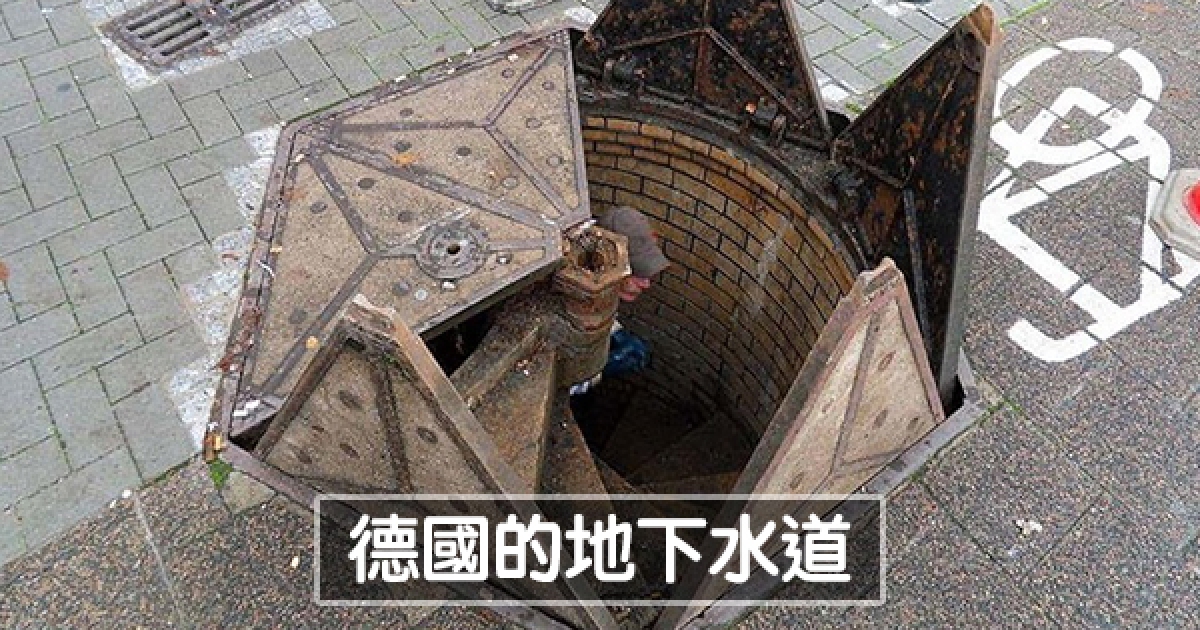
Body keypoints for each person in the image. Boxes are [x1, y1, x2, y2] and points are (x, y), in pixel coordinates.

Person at [569, 206, 669, 394]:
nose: (646, 284)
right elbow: (548, 387)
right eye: (636, 272)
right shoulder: (561, 299)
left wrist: (616, 332)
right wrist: (599, 371)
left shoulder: (594, 277)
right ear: (604, 265)